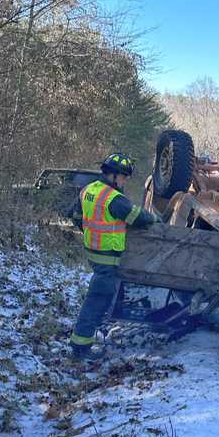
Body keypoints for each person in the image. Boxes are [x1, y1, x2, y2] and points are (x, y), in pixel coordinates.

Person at [70, 153, 158, 364]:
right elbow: (138, 217)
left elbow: (74, 215)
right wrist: (154, 218)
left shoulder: (89, 190)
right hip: (107, 258)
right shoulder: (112, 198)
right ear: (114, 175)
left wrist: (88, 231)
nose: (124, 181)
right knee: (96, 301)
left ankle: (85, 339)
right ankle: (81, 347)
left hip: (94, 253)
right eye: (124, 177)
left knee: (100, 298)